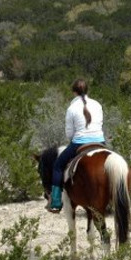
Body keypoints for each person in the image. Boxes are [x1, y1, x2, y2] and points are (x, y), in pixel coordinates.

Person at [48, 79, 106, 212]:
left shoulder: (71, 108)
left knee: (57, 166)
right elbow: (100, 124)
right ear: (87, 90)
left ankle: (56, 202)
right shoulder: (97, 105)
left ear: (74, 92)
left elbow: (69, 134)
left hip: (79, 142)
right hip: (99, 141)